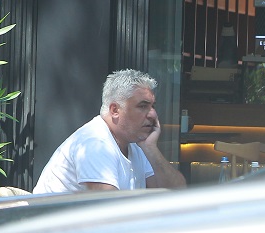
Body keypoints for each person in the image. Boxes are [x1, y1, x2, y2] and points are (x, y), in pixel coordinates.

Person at [33, 69, 187, 193]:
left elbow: (177, 193)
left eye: (153, 106)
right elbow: (109, 211)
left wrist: (151, 148)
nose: (153, 114)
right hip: (51, 224)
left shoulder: (135, 143)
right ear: (115, 110)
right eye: (143, 106)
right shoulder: (95, 143)